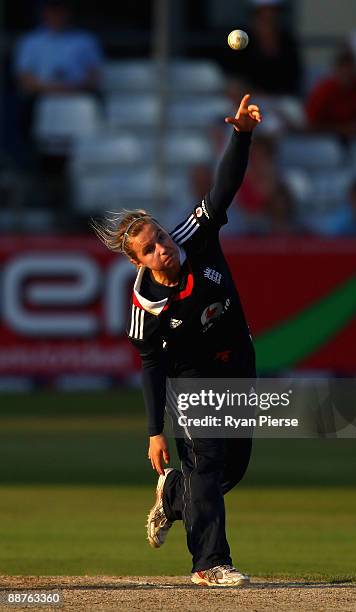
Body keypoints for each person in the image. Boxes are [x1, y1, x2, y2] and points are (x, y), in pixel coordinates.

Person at [93, 94, 262, 587]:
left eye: (161, 237)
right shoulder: (146, 304)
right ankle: (210, 564)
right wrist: (154, 431)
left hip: (237, 361)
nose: (163, 249)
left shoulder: (195, 237)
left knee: (231, 468)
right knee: (206, 463)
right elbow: (150, 366)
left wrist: (242, 135)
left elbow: (224, 187)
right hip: (191, 379)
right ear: (137, 262)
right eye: (149, 249)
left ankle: (170, 497)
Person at [14, 0, 103, 141]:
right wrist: (52, 89)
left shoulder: (85, 40)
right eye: (52, 11)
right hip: (40, 96)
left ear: (68, 13)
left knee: (96, 104)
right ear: (44, 14)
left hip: (77, 93)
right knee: (23, 110)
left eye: (60, 11)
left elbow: (94, 75)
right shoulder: (30, 41)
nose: (57, 16)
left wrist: (71, 89)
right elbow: (25, 79)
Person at [228, 0, 302, 96]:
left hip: (281, 98)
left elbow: (294, 75)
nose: (269, 17)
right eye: (262, 14)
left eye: (273, 12)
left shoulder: (286, 40)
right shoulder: (241, 40)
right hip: (248, 97)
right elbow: (235, 76)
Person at [306, 47, 356, 143]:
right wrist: (339, 129)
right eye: (343, 68)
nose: (347, 73)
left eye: (350, 68)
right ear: (336, 70)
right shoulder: (324, 89)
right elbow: (310, 124)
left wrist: (354, 128)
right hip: (326, 138)